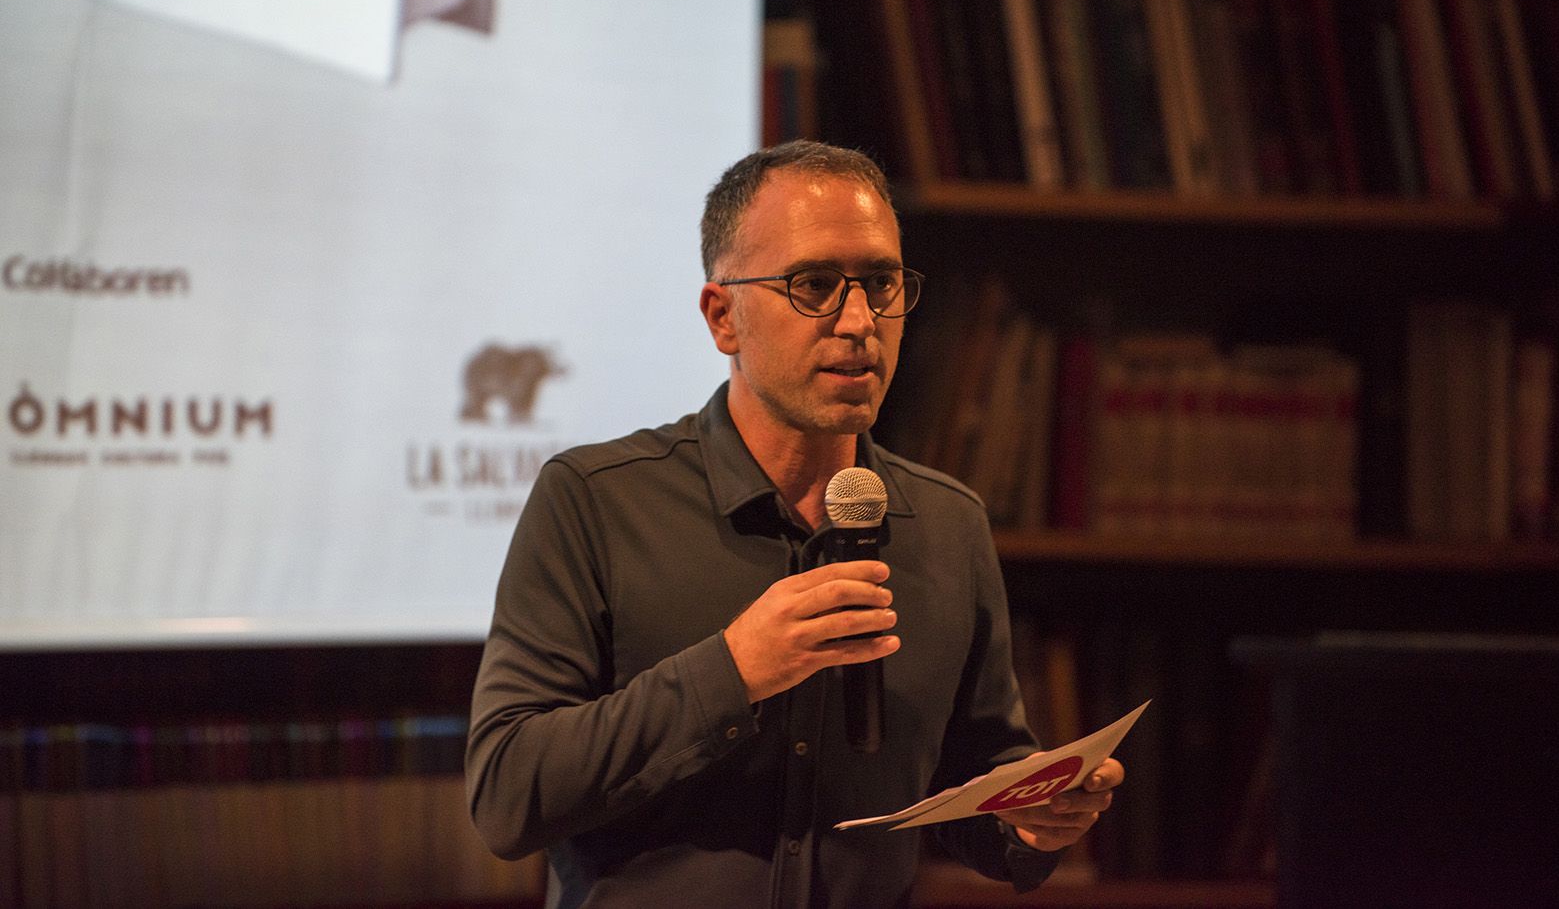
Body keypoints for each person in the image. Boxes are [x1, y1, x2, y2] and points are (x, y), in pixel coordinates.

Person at [466, 140, 1125, 908]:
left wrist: (1034, 816)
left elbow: (973, 783)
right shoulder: (594, 502)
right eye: (814, 284)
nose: (858, 321)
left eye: (881, 283)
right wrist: (733, 670)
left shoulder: (948, 524)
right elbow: (509, 794)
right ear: (723, 317)